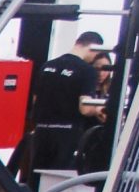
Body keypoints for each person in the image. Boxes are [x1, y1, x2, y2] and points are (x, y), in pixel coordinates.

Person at [11, 30, 109, 178]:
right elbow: (84, 108)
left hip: (42, 132)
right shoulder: (87, 71)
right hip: (66, 135)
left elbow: (36, 101)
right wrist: (98, 111)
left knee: (37, 178)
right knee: (57, 181)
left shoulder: (46, 66)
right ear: (94, 48)